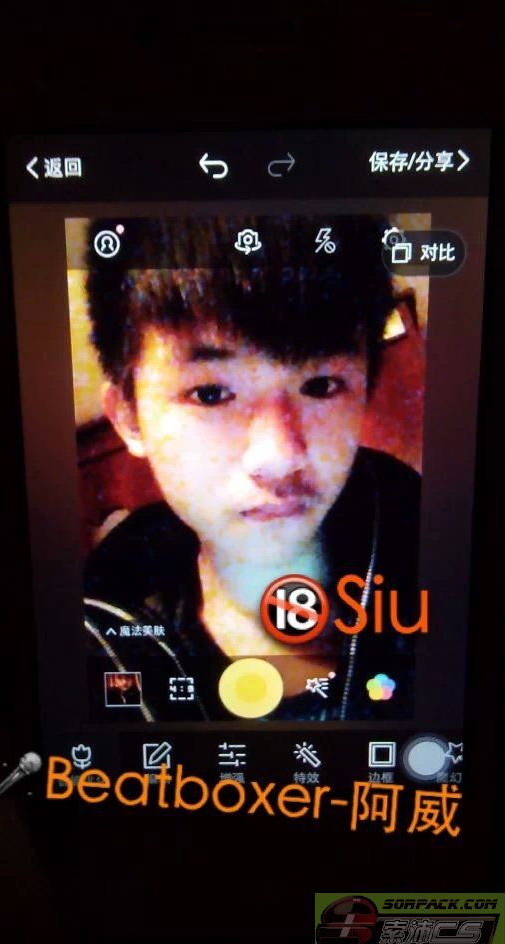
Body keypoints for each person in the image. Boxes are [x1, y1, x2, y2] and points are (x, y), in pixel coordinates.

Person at [82, 215, 421, 721]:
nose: (279, 455)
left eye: (321, 385)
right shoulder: (98, 643)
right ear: (129, 418)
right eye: (210, 393)